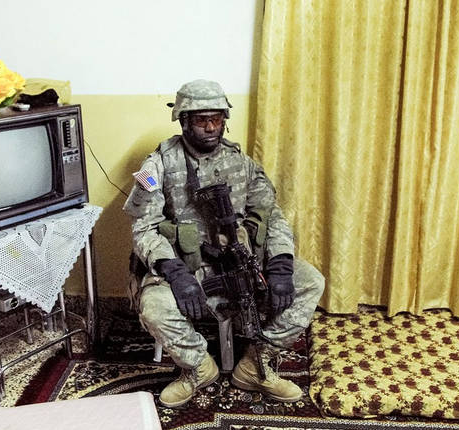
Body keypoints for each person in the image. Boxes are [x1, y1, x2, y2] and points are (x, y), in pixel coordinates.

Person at [123, 79, 325, 408]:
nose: (210, 127)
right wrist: (174, 271)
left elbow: (271, 214)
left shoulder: (240, 162)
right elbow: (143, 228)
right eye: (201, 120)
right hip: (187, 270)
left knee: (311, 281)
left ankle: (256, 365)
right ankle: (197, 368)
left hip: (240, 264)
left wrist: (280, 262)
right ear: (183, 121)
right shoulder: (159, 165)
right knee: (155, 307)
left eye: (216, 119)